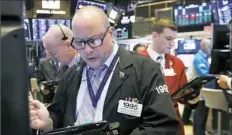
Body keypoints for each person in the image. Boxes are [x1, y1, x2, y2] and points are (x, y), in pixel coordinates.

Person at [29, 6, 179, 135]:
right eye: (80, 42)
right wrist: (48, 122)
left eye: (94, 41)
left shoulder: (145, 70)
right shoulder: (71, 74)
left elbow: (163, 126)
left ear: (110, 34)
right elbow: (58, 115)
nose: (87, 50)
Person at [139, 18, 199, 135]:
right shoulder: (137, 62)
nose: (172, 43)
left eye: (174, 39)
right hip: (147, 125)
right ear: (155, 36)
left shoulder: (177, 63)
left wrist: (192, 99)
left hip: (174, 126)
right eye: (168, 39)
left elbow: (183, 96)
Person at [35, 25, 79, 103]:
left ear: (68, 45)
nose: (52, 58)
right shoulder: (64, 68)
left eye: (54, 53)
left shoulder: (88, 67)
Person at [190, 38, 212, 135]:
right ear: (204, 46)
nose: (211, 48)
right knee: (200, 116)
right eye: (209, 46)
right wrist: (216, 76)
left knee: (201, 116)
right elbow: (204, 75)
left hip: (202, 91)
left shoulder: (203, 58)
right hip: (200, 92)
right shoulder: (199, 58)